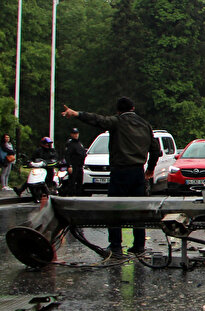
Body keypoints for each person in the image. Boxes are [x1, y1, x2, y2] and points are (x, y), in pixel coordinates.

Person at [62, 97, 158, 258]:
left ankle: (116, 246)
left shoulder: (117, 122)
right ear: (133, 108)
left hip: (120, 171)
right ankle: (139, 245)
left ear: (118, 111)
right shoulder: (145, 125)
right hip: (137, 172)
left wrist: (76, 113)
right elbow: (155, 149)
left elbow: (97, 119)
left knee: (114, 208)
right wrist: (150, 168)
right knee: (138, 209)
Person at [63, 127, 88, 196]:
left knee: (80, 183)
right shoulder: (70, 144)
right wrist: (69, 166)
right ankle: (71, 196)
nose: (76, 135)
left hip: (80, 166)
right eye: (74, 134)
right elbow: (67, 155)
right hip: (74, 166)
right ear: (71, 134)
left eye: (77, 133)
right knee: (72, 182)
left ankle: (78, 195)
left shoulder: (80, 143)